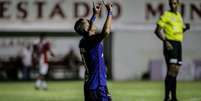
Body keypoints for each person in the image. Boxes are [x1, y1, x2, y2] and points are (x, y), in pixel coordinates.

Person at [74, 1, 112, 101]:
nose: (91, 22)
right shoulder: (91, 41)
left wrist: (94, 15)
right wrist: (110, 12)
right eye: (88, 21)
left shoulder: (84, 41)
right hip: (97, 86)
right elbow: (106, 31)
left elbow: (88, 31)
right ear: (86, 28)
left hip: (91, 85)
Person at [154, 0, 190, 101]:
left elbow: (179, 30)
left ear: (178, 4)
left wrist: (185, 28)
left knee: (176, 71)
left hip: (179, 44)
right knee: (171, 70)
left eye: (174, 3)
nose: (172, 5)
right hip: (170, 43)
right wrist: (165, 41)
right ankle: (166, 97)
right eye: (171, 3)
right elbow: (157, 31)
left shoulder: (179, 15)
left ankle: (174, 97)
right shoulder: (166, 15)